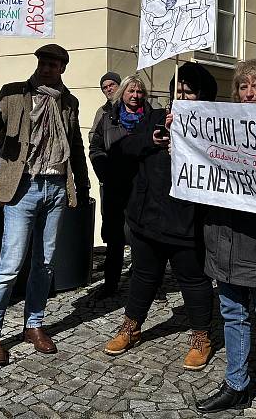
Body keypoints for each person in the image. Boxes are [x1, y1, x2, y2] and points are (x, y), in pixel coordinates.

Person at [0, 44, 90, 365]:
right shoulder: (13, 93)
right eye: (43, 62)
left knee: (45, 263)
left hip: (56, 186)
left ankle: (34, 324)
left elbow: (75, 144)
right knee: (10, 264)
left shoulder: (69, 102)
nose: (47, 68)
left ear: (62, 69)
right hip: (23, 186)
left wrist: (80, 185)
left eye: (53, 64)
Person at [104, 63, 216, 373]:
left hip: (187, 222)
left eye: (190, 91)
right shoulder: (154, 118)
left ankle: (200, 336)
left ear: (202, 97)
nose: (183, 95)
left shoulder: (213, 127)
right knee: (143, 274)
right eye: (178, 90)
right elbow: (120, 151)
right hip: (147, 217)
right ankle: (132, 325)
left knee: (193, 281)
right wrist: (150, 140)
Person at [195, 58, 256, 418]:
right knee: (232, 312)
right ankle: (236, 384)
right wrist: (179, 136)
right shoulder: (220, 124)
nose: (249, 93)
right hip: (223, 232)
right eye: (243, 86)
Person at [89, 75, 152, 299]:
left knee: (143, 238)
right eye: (131, 91)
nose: (135, 96)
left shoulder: (153, 119)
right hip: (115, 187)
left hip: (144, 189)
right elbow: (95, 147)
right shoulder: (108, 118)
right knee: (115, 238)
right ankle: (110, 283)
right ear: (122, 93)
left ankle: (146, 285)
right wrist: (104, 173)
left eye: (139, 92)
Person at [90, 72, 121, 138]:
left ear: (120, 86)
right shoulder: (101, 111)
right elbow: (92, 134)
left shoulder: (130, 106)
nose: (109, 89)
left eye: (112, 85)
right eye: (105, 88)